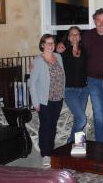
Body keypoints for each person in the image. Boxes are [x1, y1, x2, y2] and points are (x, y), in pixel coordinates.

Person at [57, 8, 103, 144]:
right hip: (93, 82)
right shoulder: (87, 36)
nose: (101, 23)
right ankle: (101, 143)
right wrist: (60, 42)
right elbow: (72, 40)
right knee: (98, 113)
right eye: (98, 20)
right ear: (94, 21)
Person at [29, 34, 65, 167]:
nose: (50, 45)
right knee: (45, 126)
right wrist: (35, 102)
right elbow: (32, 83)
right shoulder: (37, 61)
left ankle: (50, 150)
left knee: (53, 125)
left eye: (52, 43)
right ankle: (45, 154)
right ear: (42, 45)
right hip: (44, 100)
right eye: (47, 43)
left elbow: (62, 76)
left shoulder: (59, 57)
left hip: (58, 98)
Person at [61, 26, 89, 143]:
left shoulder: (86, 51)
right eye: (72, 34)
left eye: (77, 34)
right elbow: (50, 59)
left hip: (84, 90)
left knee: (78, 119)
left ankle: (76, 146)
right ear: (68, 37)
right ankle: (70, 141)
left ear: (80, 37)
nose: (74, 36)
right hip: (69, 90)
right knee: (82, 120)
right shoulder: (63, 52)